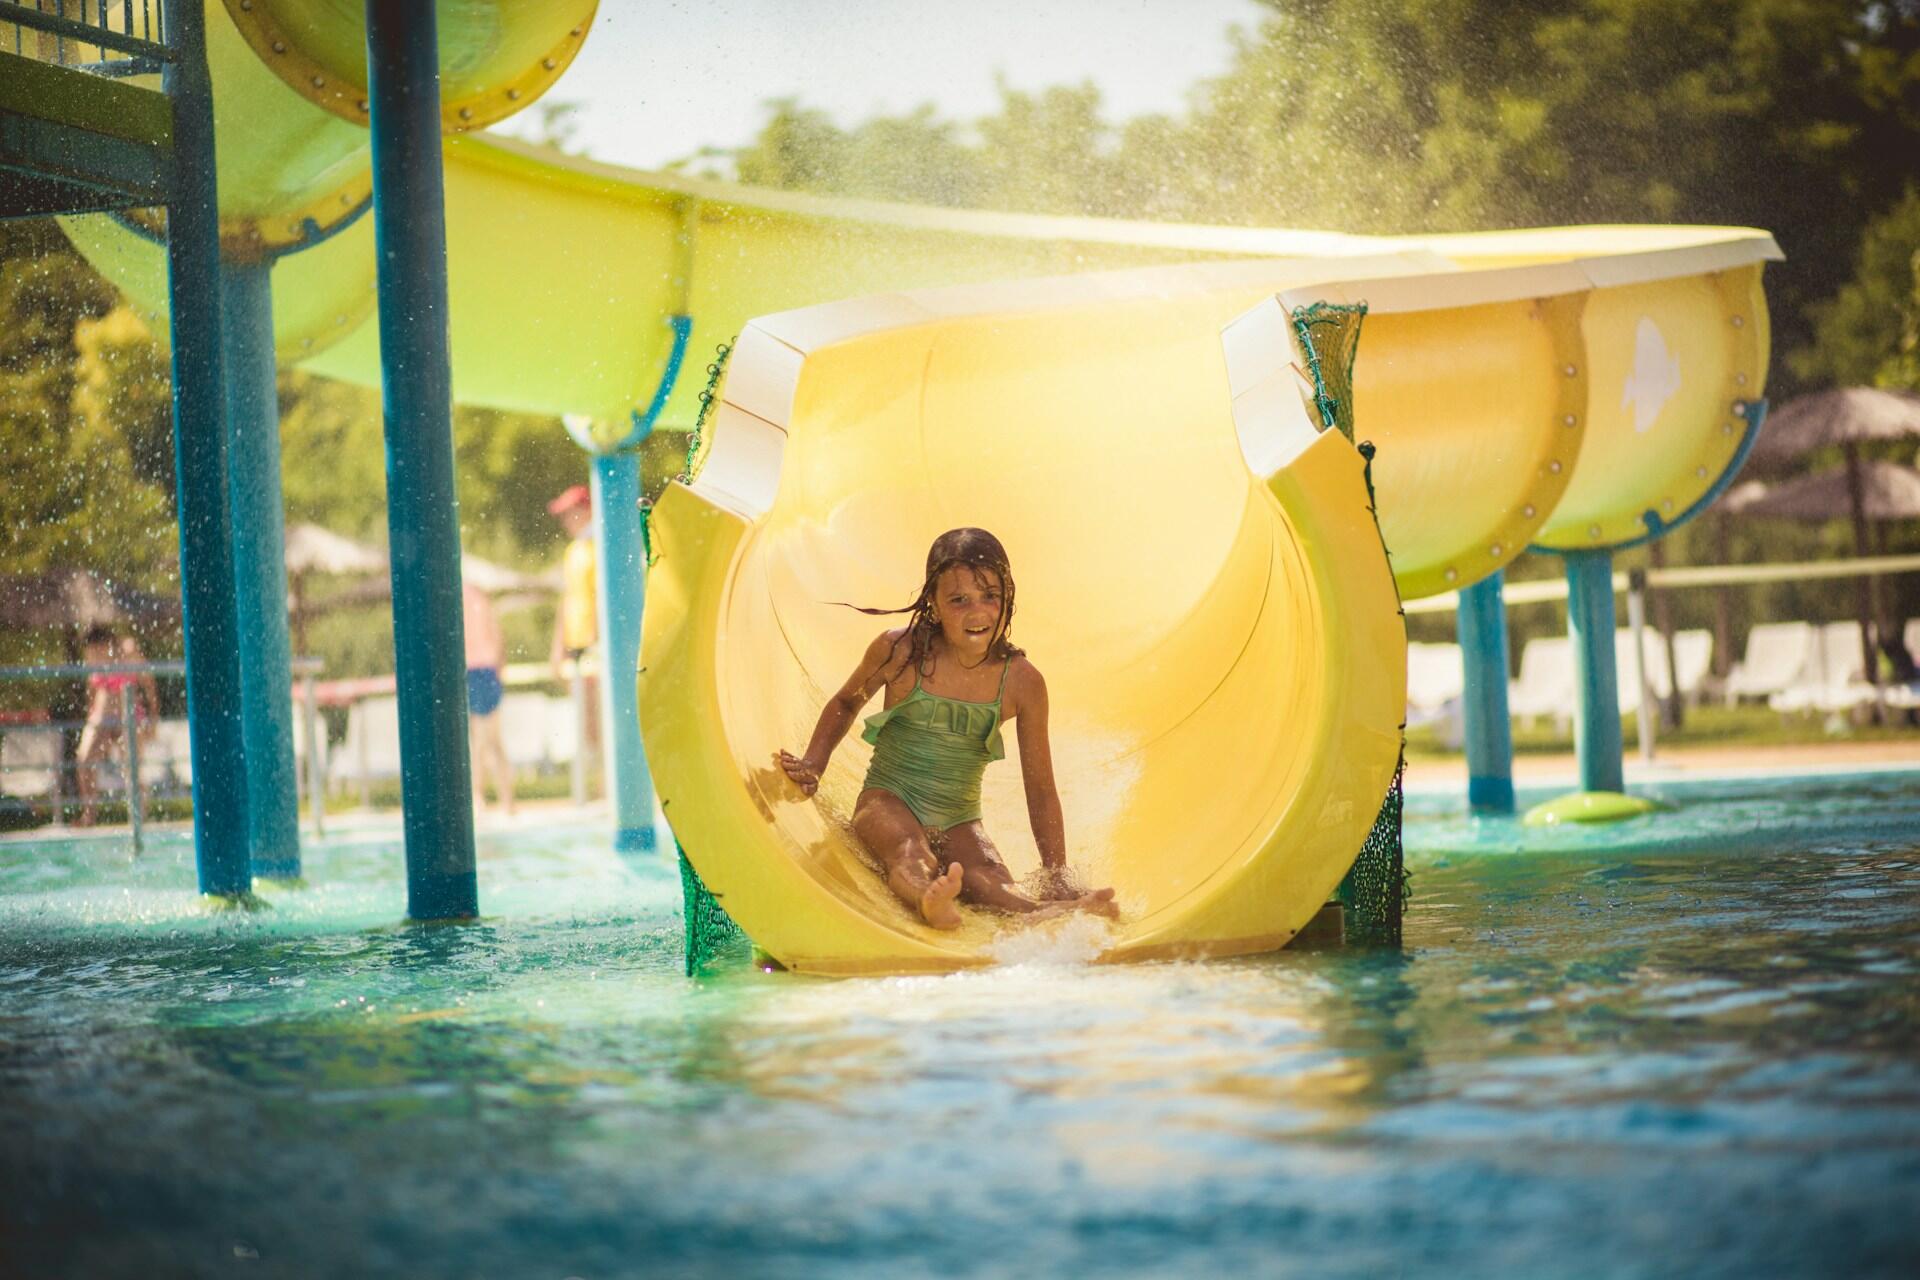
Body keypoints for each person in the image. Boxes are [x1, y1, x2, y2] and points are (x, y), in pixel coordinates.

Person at [775, 528, 1117, 930]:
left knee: (990, 881)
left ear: (1008, 595)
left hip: (960, 818)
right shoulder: (902, 651)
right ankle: (927, 897)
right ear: (934, 605)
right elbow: (848, 701)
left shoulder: (1022, 682)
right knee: (908, 852)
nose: (978, 612)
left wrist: (1056, 872)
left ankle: (1047, 911)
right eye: (959, 600)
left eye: (990, 595)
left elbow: (1040, 788)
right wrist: (814, 763)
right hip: (888, 799)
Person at [74, 626, 155, 827]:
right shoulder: (92, 657)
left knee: (132, 767)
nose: (94, 656)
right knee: (84, 759)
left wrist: (153, 718)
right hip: (101, 716)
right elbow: (91, 690)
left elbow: (149, 685)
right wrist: (89, 715)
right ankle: (89, 814)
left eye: (98, 651)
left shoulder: (129, 653)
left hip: (129, 715)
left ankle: (139, 817)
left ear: (107, 644)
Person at [547, 484, 600, 764]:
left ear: (587, 511)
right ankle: (605, 781)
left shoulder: (600, 548)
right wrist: (559, 647)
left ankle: (611, 783)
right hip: (579, 646)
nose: (566, 521)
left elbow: (605, 598)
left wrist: (599, 643)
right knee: (587, 720)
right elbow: (567, 600)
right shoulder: (575, 551)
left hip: (595, 646)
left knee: (602, 717)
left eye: (571, 513)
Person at [463, 580, 515, 818]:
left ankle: (479, 797)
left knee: (482, 740)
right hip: (486, 670)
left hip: (475, 670)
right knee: (492, 740)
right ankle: (505, 800)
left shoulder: (459, 597)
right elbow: (497, 636)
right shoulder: (480, 597)